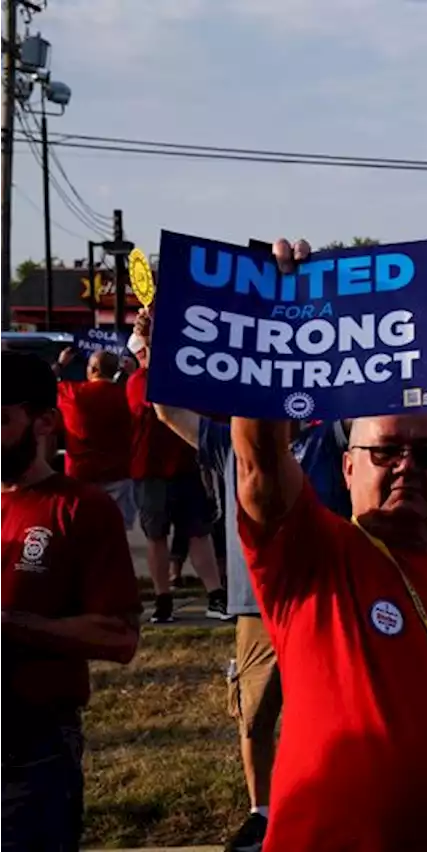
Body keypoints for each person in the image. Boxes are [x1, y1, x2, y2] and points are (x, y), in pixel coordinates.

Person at [227, 237, 427, 851]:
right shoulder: (312, 556)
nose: (408, 466)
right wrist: (278, 323)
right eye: (386, 451)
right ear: (347, 467)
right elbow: (261, 463)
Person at [153, 397, 350, 852]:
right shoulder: (228, 444)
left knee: (330, 712)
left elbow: (374, 416)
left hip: (322, 601)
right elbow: (167, 411)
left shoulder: (329, 438)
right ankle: (261, 813)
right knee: (254, 713)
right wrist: (157, 344)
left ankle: (330, 803)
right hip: (256, 608)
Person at [0, 350, 141, 848]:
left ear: (45, 422)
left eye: (0, 419)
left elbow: (121, 637)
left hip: (30, 755)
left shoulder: (81, 508)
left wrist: (13, 623)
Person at [125, 317, 228, 622]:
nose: (145, 357)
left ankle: (216, 595)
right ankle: (162, 598)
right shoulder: (137, 382)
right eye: (145, 352)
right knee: (156, 536)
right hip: (151, 471)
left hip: (186, 468)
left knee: (199, 533)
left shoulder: (182, 376)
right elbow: (157, 402)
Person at [53, 346, 135, 528]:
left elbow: (42, 383)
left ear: (93, 370)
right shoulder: (126, 395)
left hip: (81, 474)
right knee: (114, 532)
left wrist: (60, 364)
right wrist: (133, 373)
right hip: (118, 475)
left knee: (78, 530)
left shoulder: (73, 394)